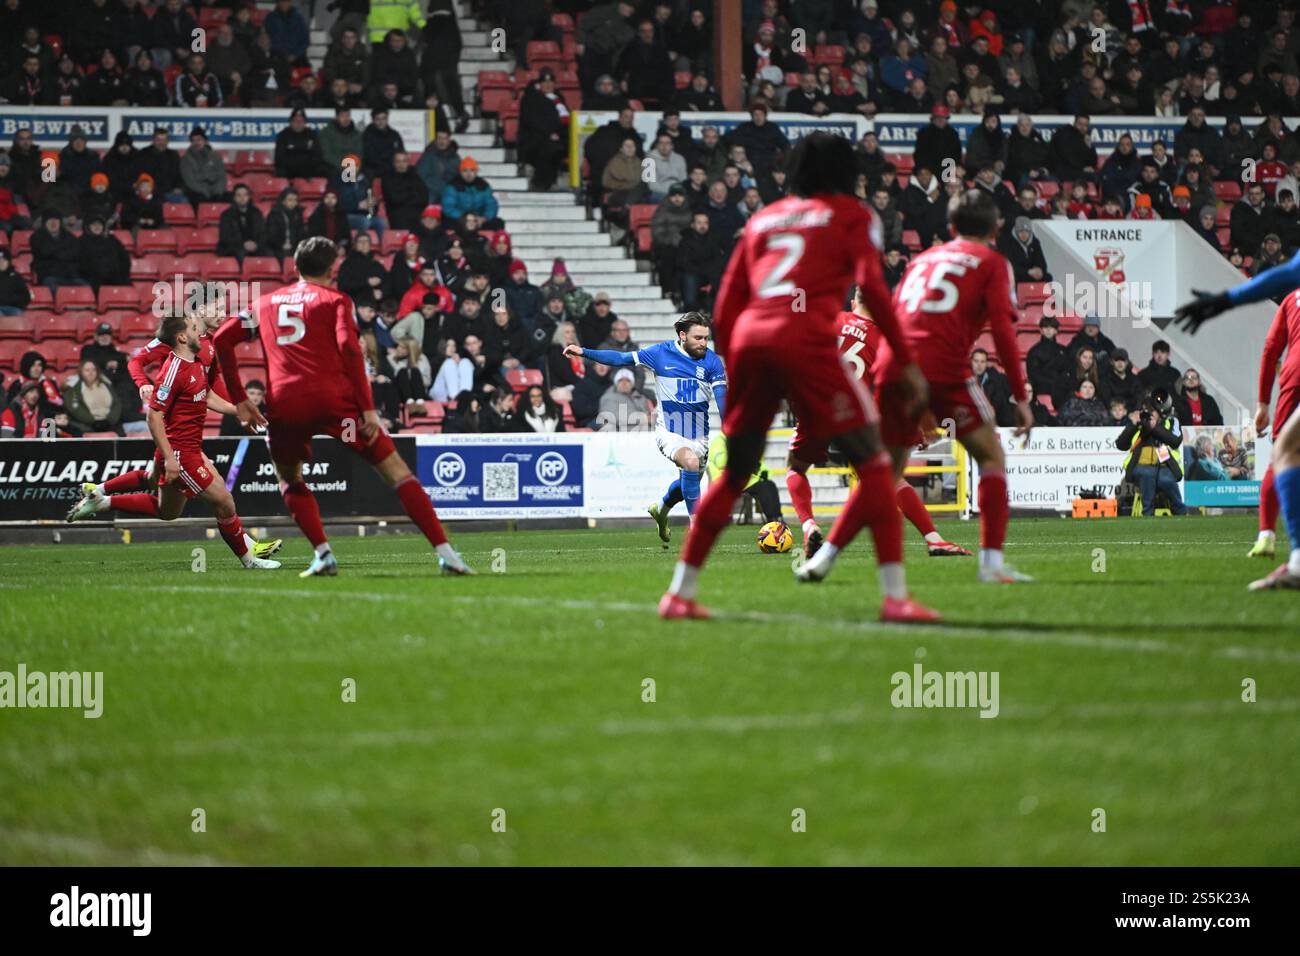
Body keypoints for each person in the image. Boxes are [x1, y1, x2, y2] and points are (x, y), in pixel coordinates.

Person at [658, 133, 938, 622]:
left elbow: (727, 298)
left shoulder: (765, 217)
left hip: (749, 339)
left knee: (738, 471)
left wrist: (731, 352)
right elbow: (873, 289)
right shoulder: (854, 215)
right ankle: (896, 599)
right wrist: (907, 358)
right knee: (875, 466)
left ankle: (679, 594)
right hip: (806, 339)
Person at [214, 236, 474, 576]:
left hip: (286, 405)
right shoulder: (336, 301)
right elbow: (350, 351)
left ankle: (323, 554)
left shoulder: (265, 304)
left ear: (295, 266)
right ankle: (447, 554)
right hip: (336, 403)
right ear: (333, 268)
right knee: (397, 472)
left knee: (290, 479)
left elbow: (221, 339)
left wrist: (240, 398)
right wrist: (367, 408)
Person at [872, 188, 1035, 586]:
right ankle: (991, 563)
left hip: (893, 365)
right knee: (992, 457)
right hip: (944, 365)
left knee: (885, 475)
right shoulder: (992, 262)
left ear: (949, 227)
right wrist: (1020, 395)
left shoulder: (923, 258)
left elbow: (895, 317)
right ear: (997, 228)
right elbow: (1003, 332)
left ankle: (828, 556)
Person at [66, 312, 282, 571]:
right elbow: (153, 416)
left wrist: (240, 410)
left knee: (167, 511)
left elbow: (207, 394)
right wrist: (170, 458)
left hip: (185, 448)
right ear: (182, 337)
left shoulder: (195, 361)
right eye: (193, 328)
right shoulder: (174, 370)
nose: (198, 332)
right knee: (224, 501)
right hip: (181, 452)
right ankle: (249, 559)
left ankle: (101, 499)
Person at [786, 286, 970, 559]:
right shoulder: (885, 339)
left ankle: (809, 524)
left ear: (853, 302)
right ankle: (934, 539)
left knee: (796, 468)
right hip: (855, 416)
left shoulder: (829, 319)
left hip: (817, 407)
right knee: (890, 480)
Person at [565, 313, 725, 537]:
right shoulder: (660, 353)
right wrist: (584, 352)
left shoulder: (712, 361)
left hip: (700, 435)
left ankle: (660, 509)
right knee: (690, 462)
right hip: (669, 431)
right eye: (698, 338)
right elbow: (620, 359)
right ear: (682, 335)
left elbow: (721, 395)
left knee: (687, 481)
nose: (703, 343)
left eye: (706, 338)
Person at [1115, 387, 1187, 518]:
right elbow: (1121, 445)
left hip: (1167, 465)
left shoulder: (1171, 422)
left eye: (1153, 410)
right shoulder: (1139, 423)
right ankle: (1147, 514)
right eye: (1147, 410)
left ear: (1160, 411)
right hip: (1140, 466)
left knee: (1165, 479)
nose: (1150, 413)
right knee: (1147, 473)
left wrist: (1155, 428)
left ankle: (1179, 510)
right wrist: (1133, 425)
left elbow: (1175, 441)